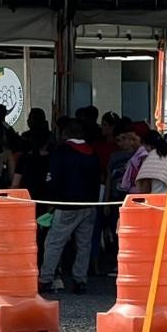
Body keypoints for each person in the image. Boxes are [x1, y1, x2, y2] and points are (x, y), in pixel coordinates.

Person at [38, 120, 101, 295]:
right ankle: (80, 280)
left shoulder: (62, 151)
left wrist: (51, 201)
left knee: (54, 243)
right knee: (84, 245)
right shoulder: (92, 152)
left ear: (65, 134)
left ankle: (46, 278)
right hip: (89, 205)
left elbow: (53, 178)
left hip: (67, 205)